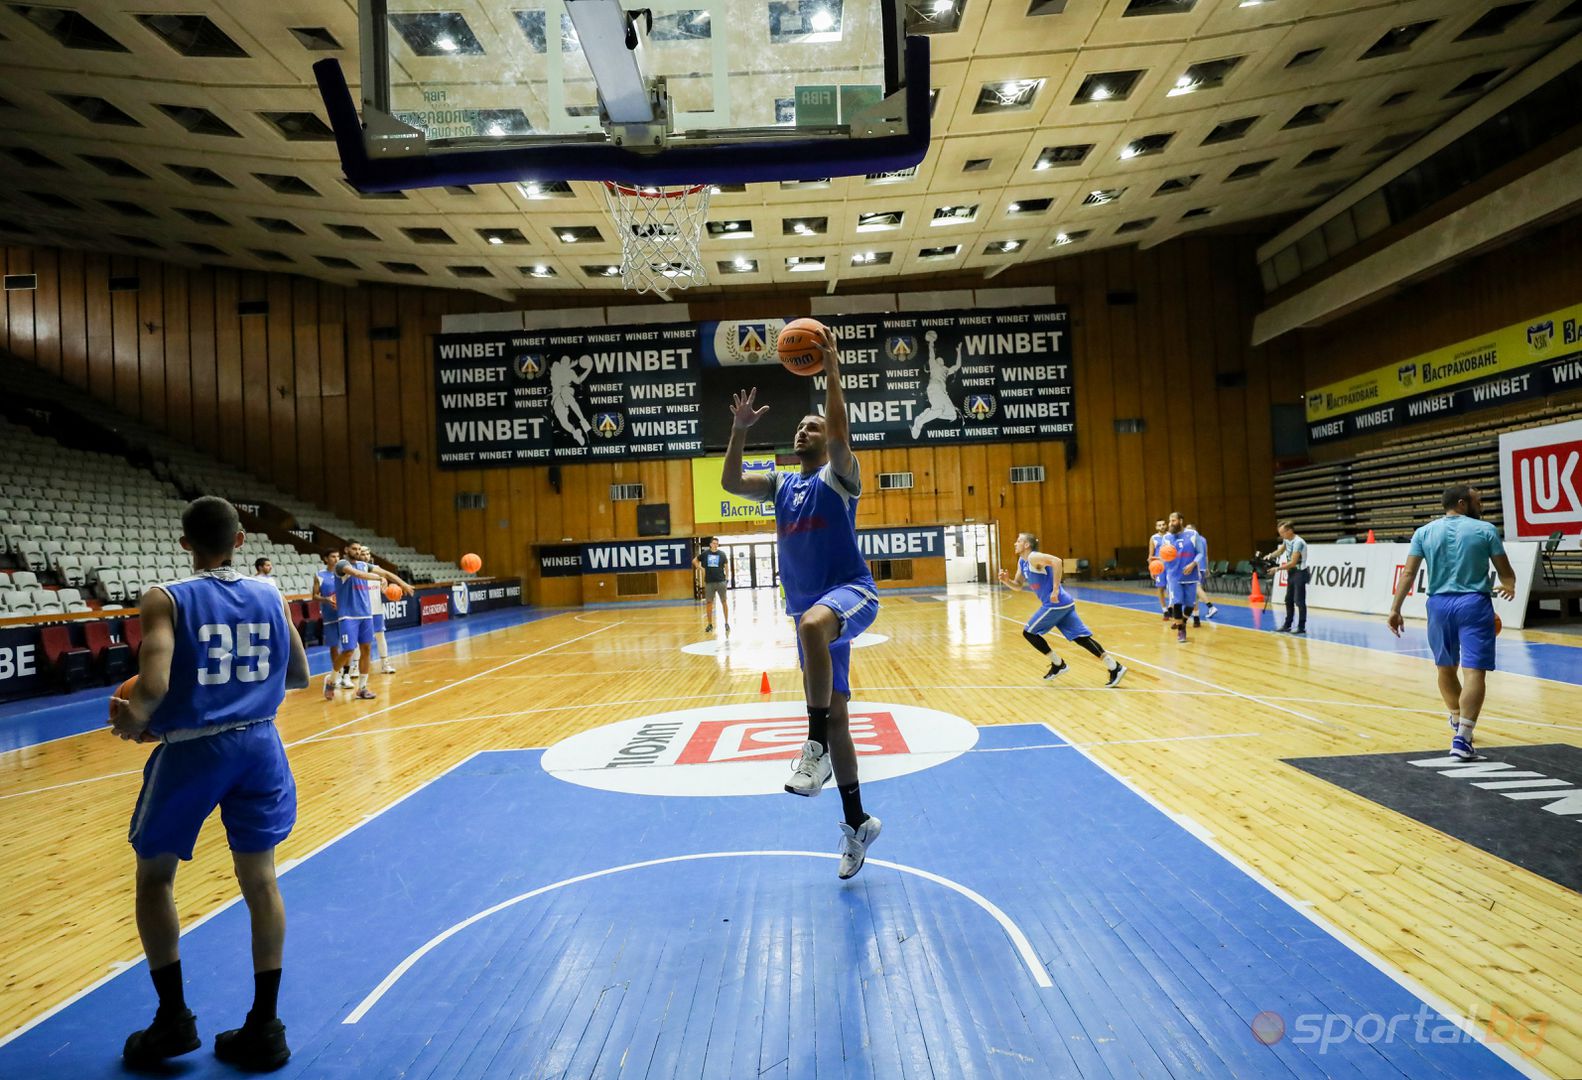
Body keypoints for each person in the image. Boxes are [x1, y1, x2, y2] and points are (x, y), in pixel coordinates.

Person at [108, 496, 310, 1071]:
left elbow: (151, 685)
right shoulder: (272, 593)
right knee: (261, 879)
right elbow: (298, 675)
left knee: (155, 878)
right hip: (260, 746)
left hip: (195, 752)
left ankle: (173, 1020)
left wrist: (133, 721)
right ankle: (265, 1027)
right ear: (242, 541)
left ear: (184, 545)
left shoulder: (164, 597)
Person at [720, 326, 882, 879]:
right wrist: (739, 431)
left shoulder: (840, 478)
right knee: (838, 716)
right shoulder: (781, 485)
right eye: (799, 424)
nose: (803, 428)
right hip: (808, 609)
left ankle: (809, 749)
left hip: (852, 593)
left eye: (812, 425)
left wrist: (832, 371)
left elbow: (839, 434)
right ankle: (857, 822)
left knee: (814, 626)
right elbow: (731, 482)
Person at [1388, 484, 1517, 761]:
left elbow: (1408, 573)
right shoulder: (1485, 531)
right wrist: (1509, 585)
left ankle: (1458, 720)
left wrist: (1395, 608)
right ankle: (1463, 737)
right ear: (1462, 503)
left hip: (1438, 606)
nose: (1481, 506)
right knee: (1474, 673)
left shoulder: (1422, 532)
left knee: (1445, 669)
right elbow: (1506, 573)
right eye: (1477, 501)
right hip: (1473, 604)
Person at [1000, 532, 1126, 686]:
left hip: (1055, 604)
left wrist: (1055, 589)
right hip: (1064, 603)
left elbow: (1057, 561)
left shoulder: (1034, 557)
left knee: (1029, 632)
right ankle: (1115, 667)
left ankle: (1058, 664)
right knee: (1081, 638)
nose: (1015, 543)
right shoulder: (1022, 561)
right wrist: (1007, 581)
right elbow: (1018, 586)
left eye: (1018, 541)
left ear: (1026, 545)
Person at [324, 541, 412, 701]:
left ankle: (362, 688)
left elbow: (385, 572)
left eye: (359, 549)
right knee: (348, 651)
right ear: (346, 550)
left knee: (366, 650)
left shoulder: (364, 565)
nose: (357, 551)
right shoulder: (341, 565)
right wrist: (378, 578)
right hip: (348, 616)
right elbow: (358, 575)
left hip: (366, 615)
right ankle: (331, 680)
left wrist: (402, 583)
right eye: (354, 549)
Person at [908, 330, 962, 439]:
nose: (940, 358)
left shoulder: (946, 370)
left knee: (952, 415)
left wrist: (959, 351)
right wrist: (931, 342)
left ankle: (925, 415)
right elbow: (931, 353)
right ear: (936, 361)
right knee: (939, 409)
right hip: (934, 387)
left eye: (941, 359)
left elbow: (958, 365)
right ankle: (919, 423)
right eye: (938, 359)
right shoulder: (933, 365)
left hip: (942, 392)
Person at [357, 543, 397, 674]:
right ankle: (354, 667)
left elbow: (383, 590)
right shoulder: (354, 570)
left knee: (381, 636)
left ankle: (385, 664)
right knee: (359, 641)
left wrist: (389, 592)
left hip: (377, 609)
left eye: (368, 553)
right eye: (363, 553)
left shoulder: (378, 570)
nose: (366, 556)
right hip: (361, 610)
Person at [1163, 511, 1202, 644]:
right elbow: (1164, 556)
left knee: (1190, 605)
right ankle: (1181, 630)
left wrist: (1193, 563)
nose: (1170, 524)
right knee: (1177, 603)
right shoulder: (1167, 538)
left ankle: (1183, 622)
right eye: (1170, 521)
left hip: (1190, 574)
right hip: (1174, 575)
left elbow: (1200, 553)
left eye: (1173, 521)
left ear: (1180, 520)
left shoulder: (1193, 535)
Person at [314, 550, 351, 689]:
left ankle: (346, 676)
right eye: (333, 556)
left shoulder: (344, 573)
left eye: (338, 556)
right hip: (329, 616)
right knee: (334, 647)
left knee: (348, 647)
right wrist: (326, 599)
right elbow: (315, 596)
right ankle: (337, 674)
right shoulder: (319, 575)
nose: (336, 559)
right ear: (326, 558)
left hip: (345, 615)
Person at [1271, 521, 1309, 635]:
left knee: (1299, 600)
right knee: (1288, 600)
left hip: (1300, 573)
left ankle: (1301, 626)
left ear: (1290, 531)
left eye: (1282, 532)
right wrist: (1270, 555)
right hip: (1291, 573)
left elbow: (1293, 562)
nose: (1281, 535)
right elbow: (1280, 550)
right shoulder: (1287, 539)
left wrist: (1277, 569)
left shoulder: (1299, 542)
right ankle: (1287, 625)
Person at [549, 355, 593, 446]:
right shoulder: (556, 366)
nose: (565, 362)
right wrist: (571, 365)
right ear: (560, 361)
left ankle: (583, 420)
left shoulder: (571, 372)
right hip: (556, 398)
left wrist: (588, 369)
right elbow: (559, 372)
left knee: (565, 390)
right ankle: (575, 433)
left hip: (566, 393)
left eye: (567, 361)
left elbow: (578, 380)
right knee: (563, 422)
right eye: (563, 360)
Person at [692, 537, 731, 635]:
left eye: (717, 543)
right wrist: (700, 568)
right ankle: (710, 624)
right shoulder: (705, 554)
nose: (715, 545)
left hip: (721, 581)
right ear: (710, 544)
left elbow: (726, 566)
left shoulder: (722, 554)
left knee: (724, 602)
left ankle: (726, 623)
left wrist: (727, 578)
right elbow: (694, 561)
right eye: (713, 543)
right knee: (709, 603)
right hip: (709, 582)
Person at [1183, 524, 1219, 622]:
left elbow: (1196, 555)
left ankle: (1210, 607)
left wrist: (1198, 568)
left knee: (1196, 589)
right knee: (1196, 592)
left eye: (1188, 529)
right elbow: (1206, 555)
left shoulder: (1192, 540)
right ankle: (1195, 612)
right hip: (1202, 567)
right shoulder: (1203, 539)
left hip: (1195, 567)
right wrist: (1207, 567)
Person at [1147, 519, 1169, 621]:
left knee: (1172, 588)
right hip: (1159, 566)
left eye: (1163, 524)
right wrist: (1152, 570)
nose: (1162, 527)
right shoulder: (1153, 538)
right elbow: (1151, 556)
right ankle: (1164, 610)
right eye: (1159, 525)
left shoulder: (1171, 536)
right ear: (1156, 527)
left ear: (1166, 525)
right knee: (1160, 588)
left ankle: (1172, 608)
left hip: (1170, 566)